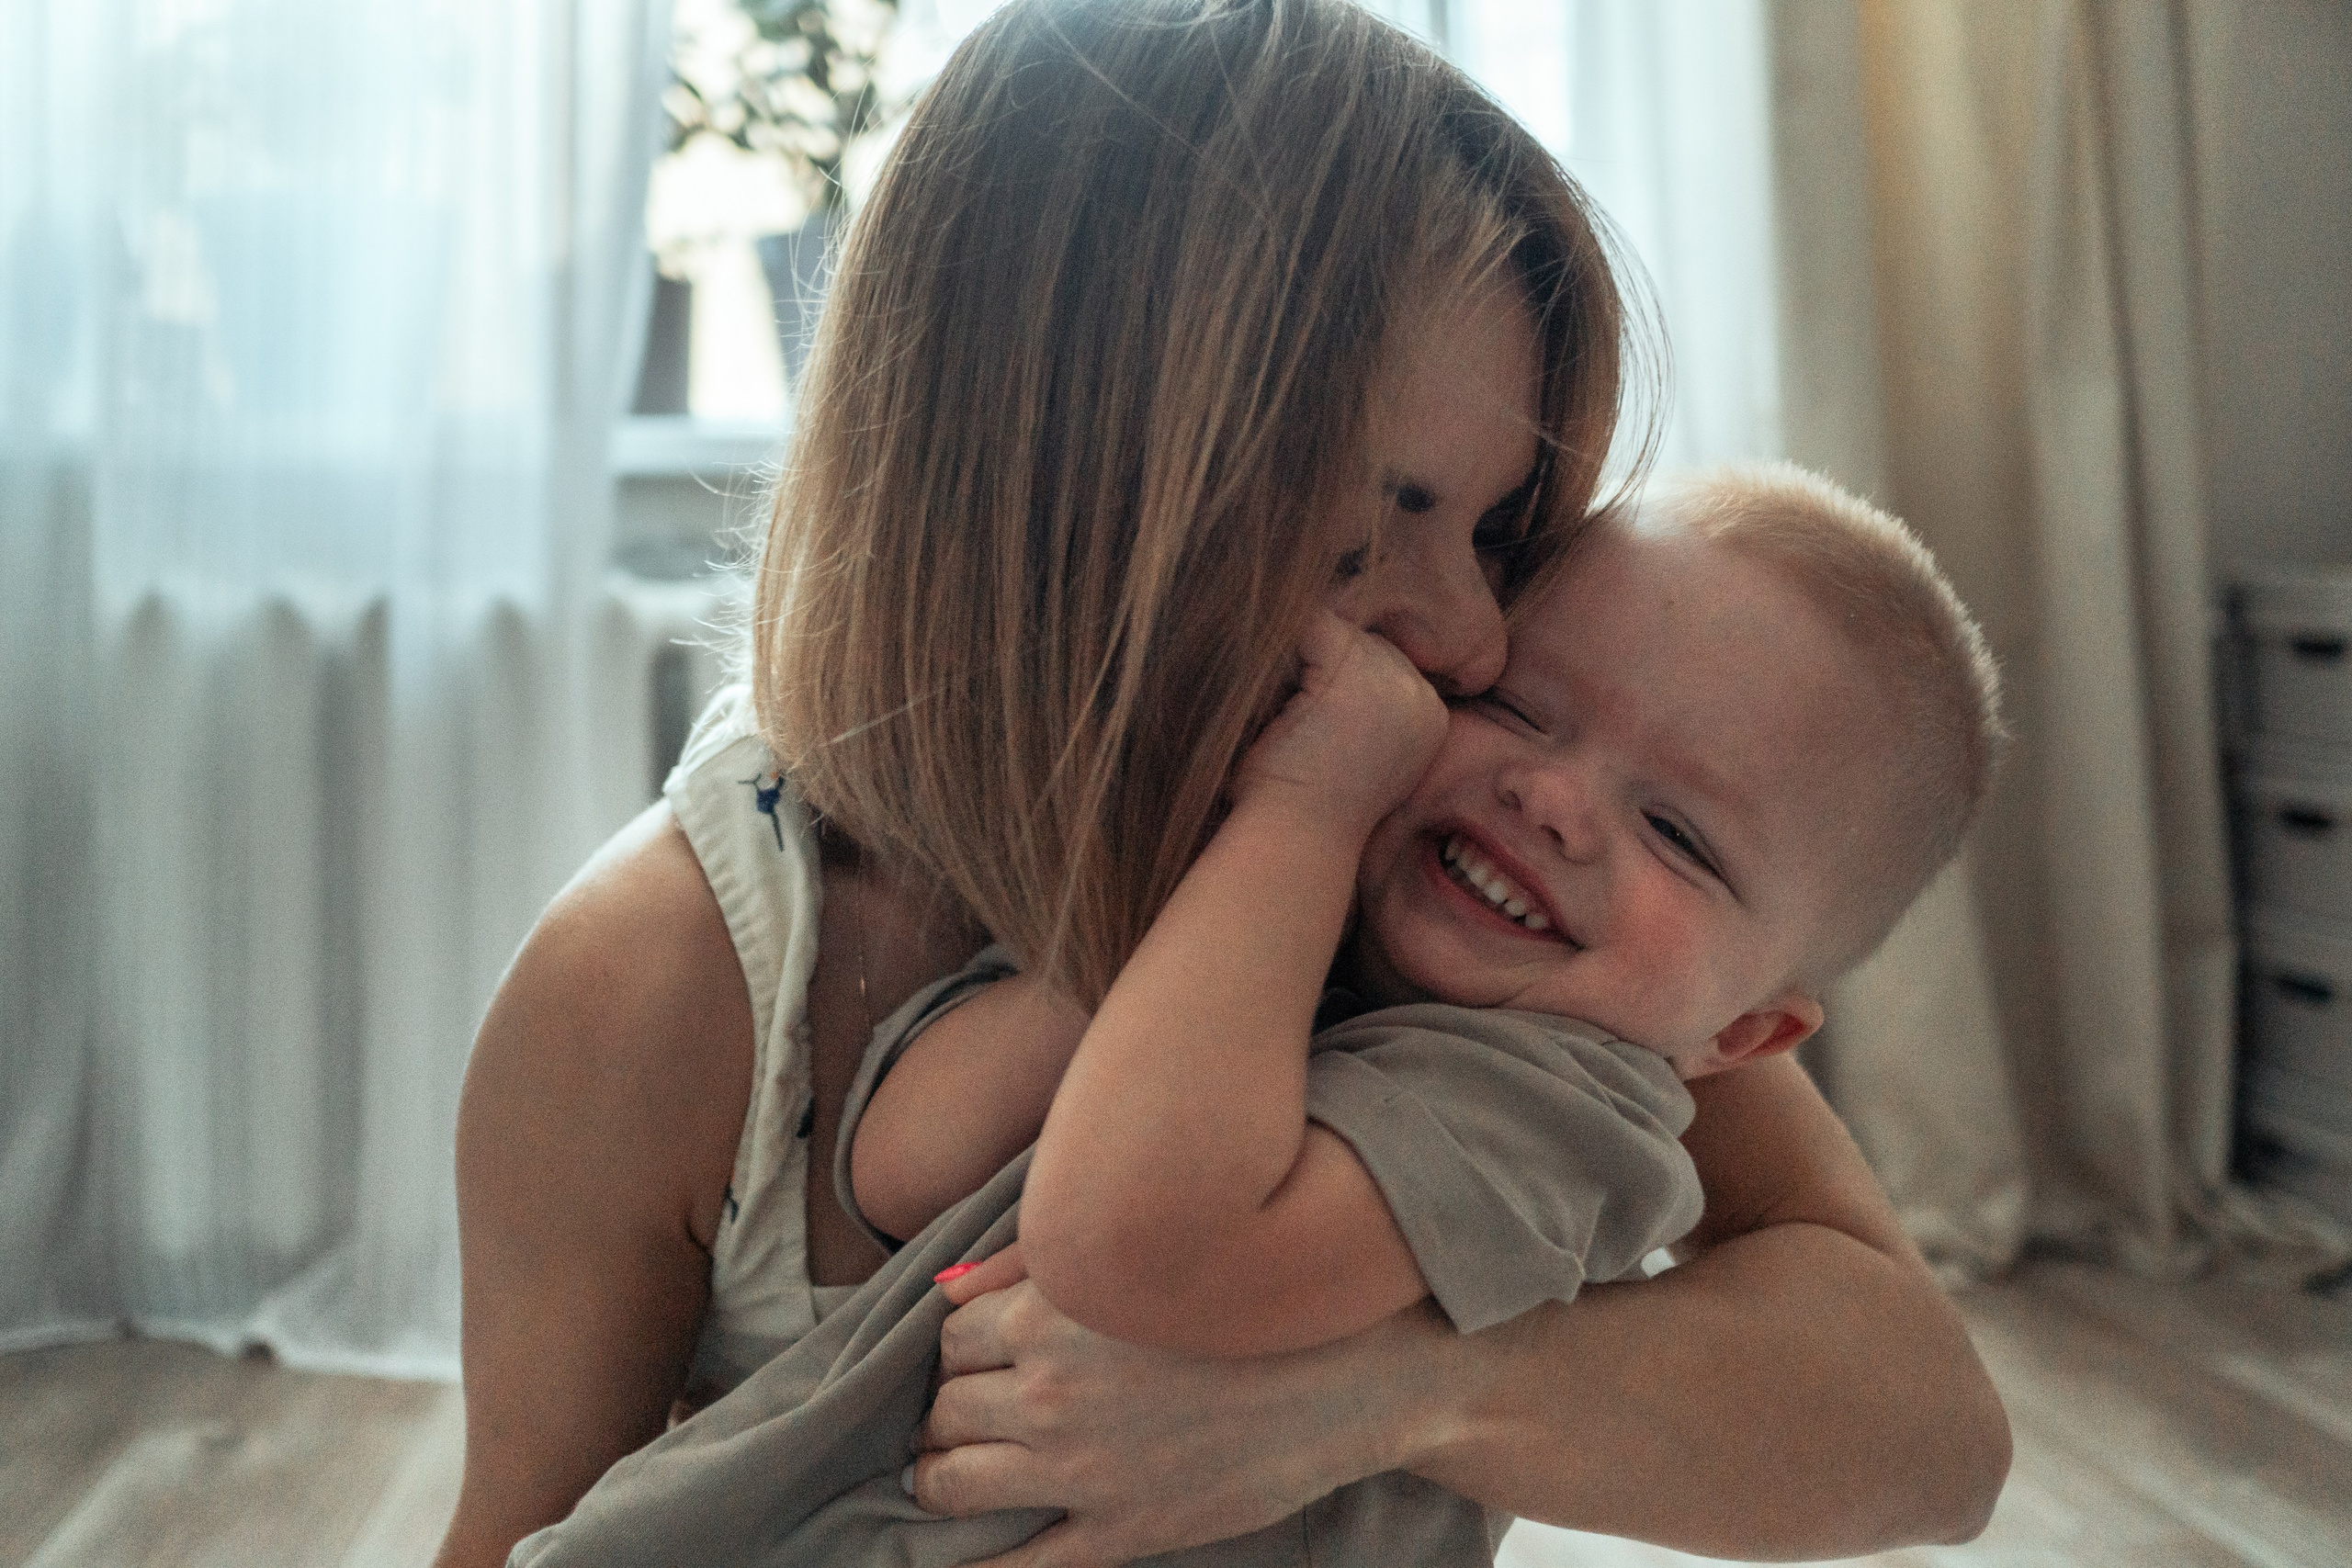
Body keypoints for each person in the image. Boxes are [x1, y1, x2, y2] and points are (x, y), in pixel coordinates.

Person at [433, 3, 2010, 1565]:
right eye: (1384, 516)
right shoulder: (657, 982)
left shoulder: (1500, 898)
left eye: (1498, 532)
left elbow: (1934, 1445)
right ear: (1072, 467)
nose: (1473, 635)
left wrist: (1373, 1396)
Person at [499, 465, 2006, 1566]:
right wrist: (1215, 885)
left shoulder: (1551, 1076)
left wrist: (1393, 1393)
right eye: (1527, 709)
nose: (1550, 797)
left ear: (1743, 1038)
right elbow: (903, 1161)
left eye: (1682, 833)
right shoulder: (688, 934)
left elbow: (1142, 1240)